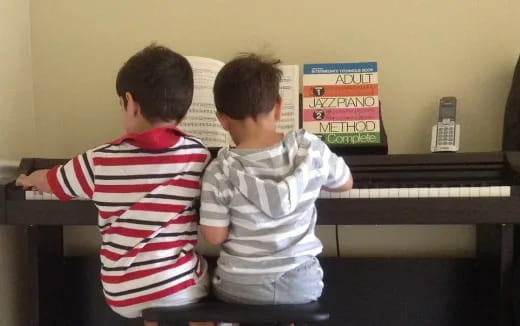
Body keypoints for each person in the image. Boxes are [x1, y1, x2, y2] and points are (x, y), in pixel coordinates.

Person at [16, 44, 213, 326]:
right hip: (175, 287)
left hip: (123, 292)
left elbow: (52, 180)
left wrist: (29, 178)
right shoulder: (198, 154)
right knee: (208, 276)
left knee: (156, 292)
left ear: (130, 103)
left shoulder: (99, 160)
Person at [199, 54, 353, 307]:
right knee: (291, 299)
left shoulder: (219, 170)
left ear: (222, 120)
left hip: (240, 286)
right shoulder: (309, 149)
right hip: (300, 285)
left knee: (221, 291)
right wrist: (314, 181)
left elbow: (214, 237)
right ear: (279, 107)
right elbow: (345, 183)